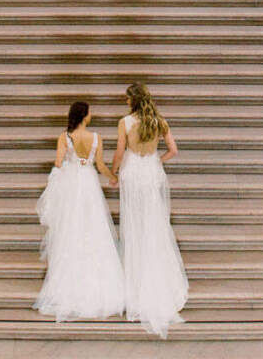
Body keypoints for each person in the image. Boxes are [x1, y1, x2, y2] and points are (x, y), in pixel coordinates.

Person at [34, 99, 125, 322]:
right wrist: (114, 177)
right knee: (94, 227)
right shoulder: (96, 138)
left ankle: (68, 282)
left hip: (72, 184)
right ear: (85, 116)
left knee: (71, 228)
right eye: (90, 112)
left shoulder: (64, 137)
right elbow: (101, 165)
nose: (91, 115)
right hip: (90, 184)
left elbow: (58, 163)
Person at [112, 82, 188, 337]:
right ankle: (159, 281)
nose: (124, 102)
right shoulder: (158, 121)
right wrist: (157, 160)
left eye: (126, 98)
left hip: (133, 174)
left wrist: (112, 173)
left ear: (133, 100)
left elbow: (120, 152)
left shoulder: (125, 122)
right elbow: (173, 151)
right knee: (154, 224)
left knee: (134, 225)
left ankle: (135, 281)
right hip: (151, 173)